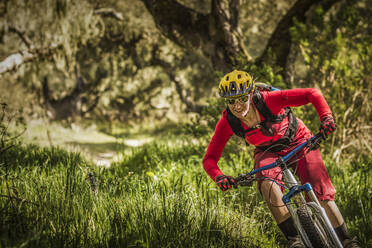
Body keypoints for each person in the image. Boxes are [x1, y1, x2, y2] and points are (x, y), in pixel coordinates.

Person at [202, 70, 359, 248]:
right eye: (231, 101)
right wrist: (219, 176)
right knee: (267, 184)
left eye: (241, 98)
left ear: (251, 94)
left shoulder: (269, 99)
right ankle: (294, 241)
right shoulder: (228, 121)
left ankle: (347, 241)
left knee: (320, 193)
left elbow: (312, 93)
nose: (237, 106)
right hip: (267, 151)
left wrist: (326, 118)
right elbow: (209, 159)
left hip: (298, 139)